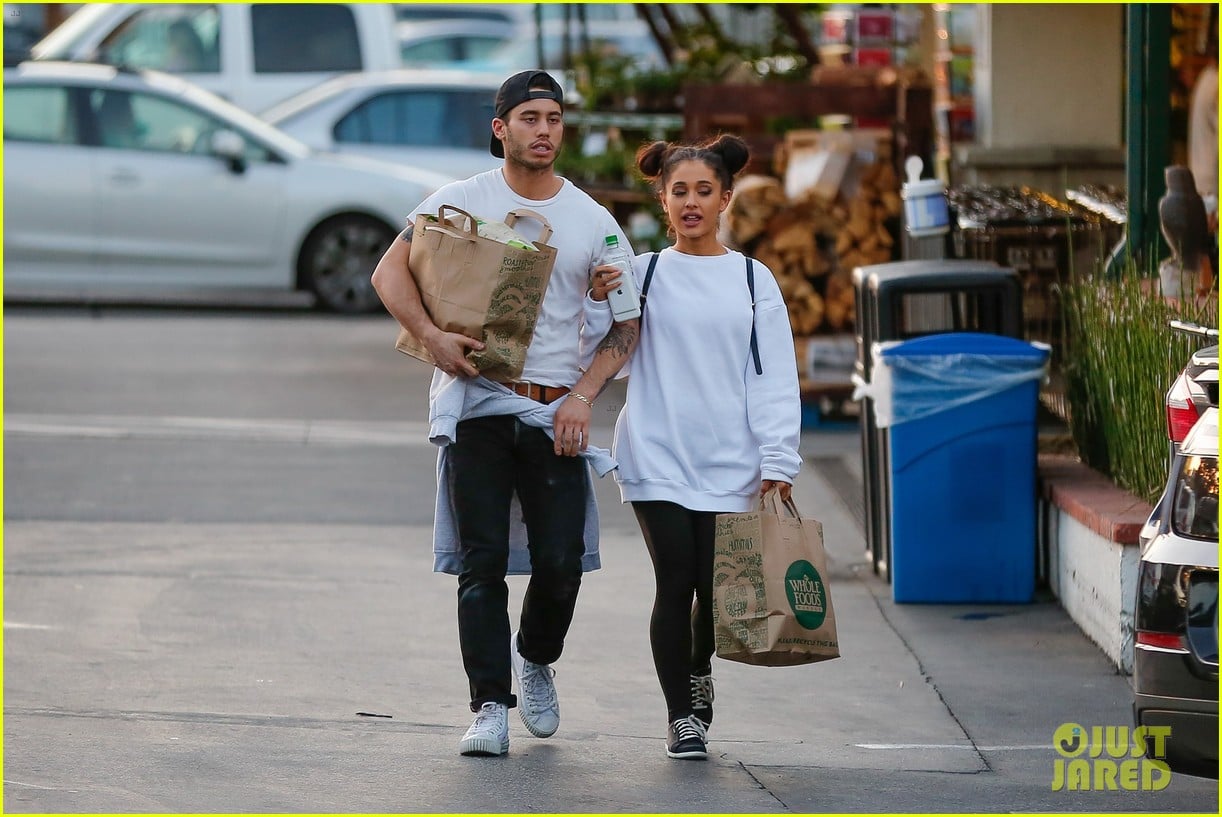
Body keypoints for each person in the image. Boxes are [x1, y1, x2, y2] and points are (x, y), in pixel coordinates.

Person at [370, 70, 639, 758]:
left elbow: (626, 328)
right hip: (478, 407)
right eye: (530, 118)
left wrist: (584, 395)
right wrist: (432, 339)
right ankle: (489, 703)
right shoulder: (461, 201)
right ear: (502, 129)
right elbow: (387, 273)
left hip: (554, 414)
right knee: (480, 561)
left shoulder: (592, 221)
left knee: (561, 560)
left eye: (553, 118)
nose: (544, 130)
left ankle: (536, 655)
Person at [583, 135, 801, 760]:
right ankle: (683, 715)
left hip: (733, 459)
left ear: (726, 198)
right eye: (679, 191)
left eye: (704, 191)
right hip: (657, 451)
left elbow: (774, 376)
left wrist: (778, 459)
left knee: (715, 586)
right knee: (675, 582)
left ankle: (698, 668)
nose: (691, 202)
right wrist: (600, 302)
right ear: (663, 198)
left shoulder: (754, 280)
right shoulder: (644, 273)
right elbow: (611, 359)